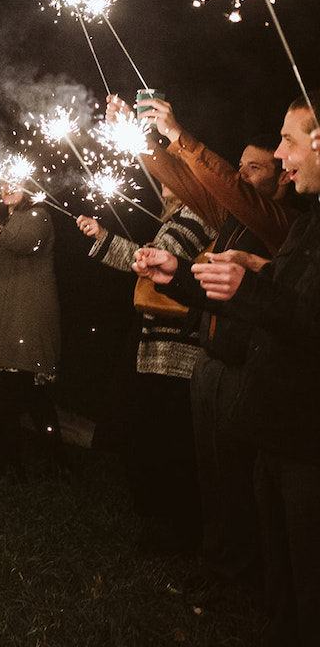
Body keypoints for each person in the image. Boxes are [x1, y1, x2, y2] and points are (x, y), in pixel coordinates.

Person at [134, 96, 320, 646]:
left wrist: (179, 134)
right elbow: (199, 190)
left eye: (285, 142)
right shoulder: (287, 227)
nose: (279, 153)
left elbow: (287, 307)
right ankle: (233, 578)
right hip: (270, 417)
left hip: (299, 427)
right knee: (252, 523)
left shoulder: (277, 218)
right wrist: (180, 277)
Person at [76, 184, 214, 552]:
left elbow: (162, 262)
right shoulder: (179, 216)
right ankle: (161, 520)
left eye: (168, 176)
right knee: (153, 430)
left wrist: (118, 246)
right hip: (160, 338)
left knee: (163, 434)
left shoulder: (197, 217)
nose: (163, 185)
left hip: (175, 344)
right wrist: (105, 237)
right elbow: (150, 260)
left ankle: (176, 528)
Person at [0, 183, 63, 482]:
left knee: (16, 390)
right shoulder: (5, 218)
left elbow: (27, 242)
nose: (8, 187)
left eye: (17, 181)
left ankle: (22, 465)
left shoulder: (39, 216)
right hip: (2, 314)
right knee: (21, 390)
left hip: (25, 317)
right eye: (3, 181)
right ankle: (46, 463)